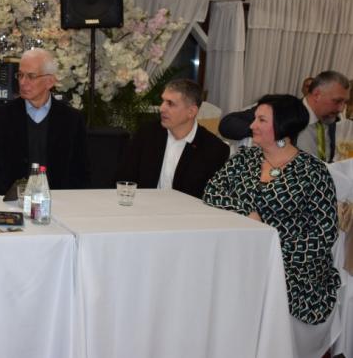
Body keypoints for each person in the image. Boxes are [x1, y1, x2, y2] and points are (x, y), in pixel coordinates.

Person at [203, 94, 340, 358]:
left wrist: (275, 250)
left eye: (261, 120)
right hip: (243, 258)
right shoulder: (245, 159)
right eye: (255, 119)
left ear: (283, 127)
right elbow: (212, 192)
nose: (252, 125)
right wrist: (248, 212)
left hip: (294, 269)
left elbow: (324, 233)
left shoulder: (313, 172)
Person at [0, 49, 89, 195]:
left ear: (49, 81)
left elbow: (81, 173)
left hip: (59, 202)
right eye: (20, 75)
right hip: (10, 202)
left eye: (31, 76)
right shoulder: (1, 116)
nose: (23, 82)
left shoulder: (71, 119)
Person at [116, 79, 229, 199]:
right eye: (163, 101)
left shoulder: (214, 149)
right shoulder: (147, 134)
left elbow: (211, 197)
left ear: (191, 112)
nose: (162, 108)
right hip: (144, 206)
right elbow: (124, 179)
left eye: (170, 104)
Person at [219, 70, 350, 162]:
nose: (341, 108)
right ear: (317, 95)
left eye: (345, 102)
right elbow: (227, 124)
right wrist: (267, 131)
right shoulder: (282, 110)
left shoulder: (331, 120)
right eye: (337, 101)